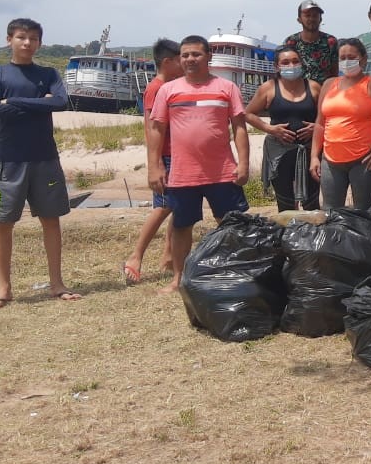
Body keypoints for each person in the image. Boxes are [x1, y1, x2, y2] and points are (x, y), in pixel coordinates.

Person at [0, 18, 80, 309]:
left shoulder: (47, 73)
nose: (27, 43)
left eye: (33, 38)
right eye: (22, 37)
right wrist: (39, 101)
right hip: (8, 160)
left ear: (40, 43)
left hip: (45, 158)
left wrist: (12, 103)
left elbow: (61, 102)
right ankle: (4, 288)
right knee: (3, 222)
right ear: (9, 39)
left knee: (51, 220)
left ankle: (57, 283)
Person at [148, 35, 251, 293]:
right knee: (182, 226)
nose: (190, 59)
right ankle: (179, 279)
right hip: (183, 173)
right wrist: (155, 166)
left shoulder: (227, 88)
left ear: (208, 57)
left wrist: (244, 163)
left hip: (222, 170)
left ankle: (237, 271)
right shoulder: (167, 90)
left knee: (231, 224)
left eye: (196, 54)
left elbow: (239, 127)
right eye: (185, 55)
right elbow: (156, 130)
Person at [310, 38, 371, 209]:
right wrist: (314, 157)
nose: (347, 61)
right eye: (343, 57)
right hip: (330, 160)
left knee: (362, 212)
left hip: (364, 160)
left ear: (363, 59)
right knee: (331, 212)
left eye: (352, 57)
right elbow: (320, 123)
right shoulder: (329, 84)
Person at [122, 38, 183, 284]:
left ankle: (168, 256)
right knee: (164, 206)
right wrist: (155, 162)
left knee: (179, 206)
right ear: (167, 62)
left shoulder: (171, 85)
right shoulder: (156, 88)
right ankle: (135, 256)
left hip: (178, 155)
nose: (184, 64)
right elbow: (150, 127)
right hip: (166, 155)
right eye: (180, 59)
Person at [244, 46, 322, 211]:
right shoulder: (268, 88)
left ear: (301, 63)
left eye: (295, 61)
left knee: (312, 202)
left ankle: (310, 235)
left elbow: (326, 116)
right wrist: (270, 129)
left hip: (309, 151)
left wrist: (317, 127)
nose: (291, 65)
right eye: (285, 62)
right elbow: (248, 114)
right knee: (285, 204)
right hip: (280, 153)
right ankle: (287, 235)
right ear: (277, 67)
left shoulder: (314, 87)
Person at [283, 0, 338, 84]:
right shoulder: (291, 42)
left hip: (324, 92)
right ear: (299, 19)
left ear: (320, 19)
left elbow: (334, 72)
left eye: (315, 15)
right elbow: (285, 69)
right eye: (307, 15)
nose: (312, 18)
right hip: (298, 93)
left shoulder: (330, 42)